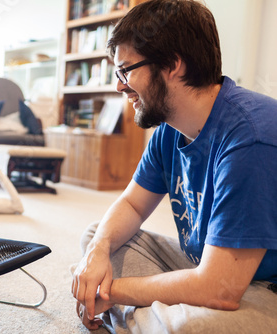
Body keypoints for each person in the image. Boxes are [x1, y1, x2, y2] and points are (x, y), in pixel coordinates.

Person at [71, 0, 277, 332]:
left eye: (126, 70)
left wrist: (108, 290)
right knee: (99, 236)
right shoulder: (170, 130)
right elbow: (132, 205)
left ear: (173, 65)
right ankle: (149, 317)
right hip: (209, 266)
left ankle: (134, 315)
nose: (119, 85)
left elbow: (220, 289)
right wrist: (98, 252)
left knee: (187, 328)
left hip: (264, 287)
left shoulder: (252, 138)